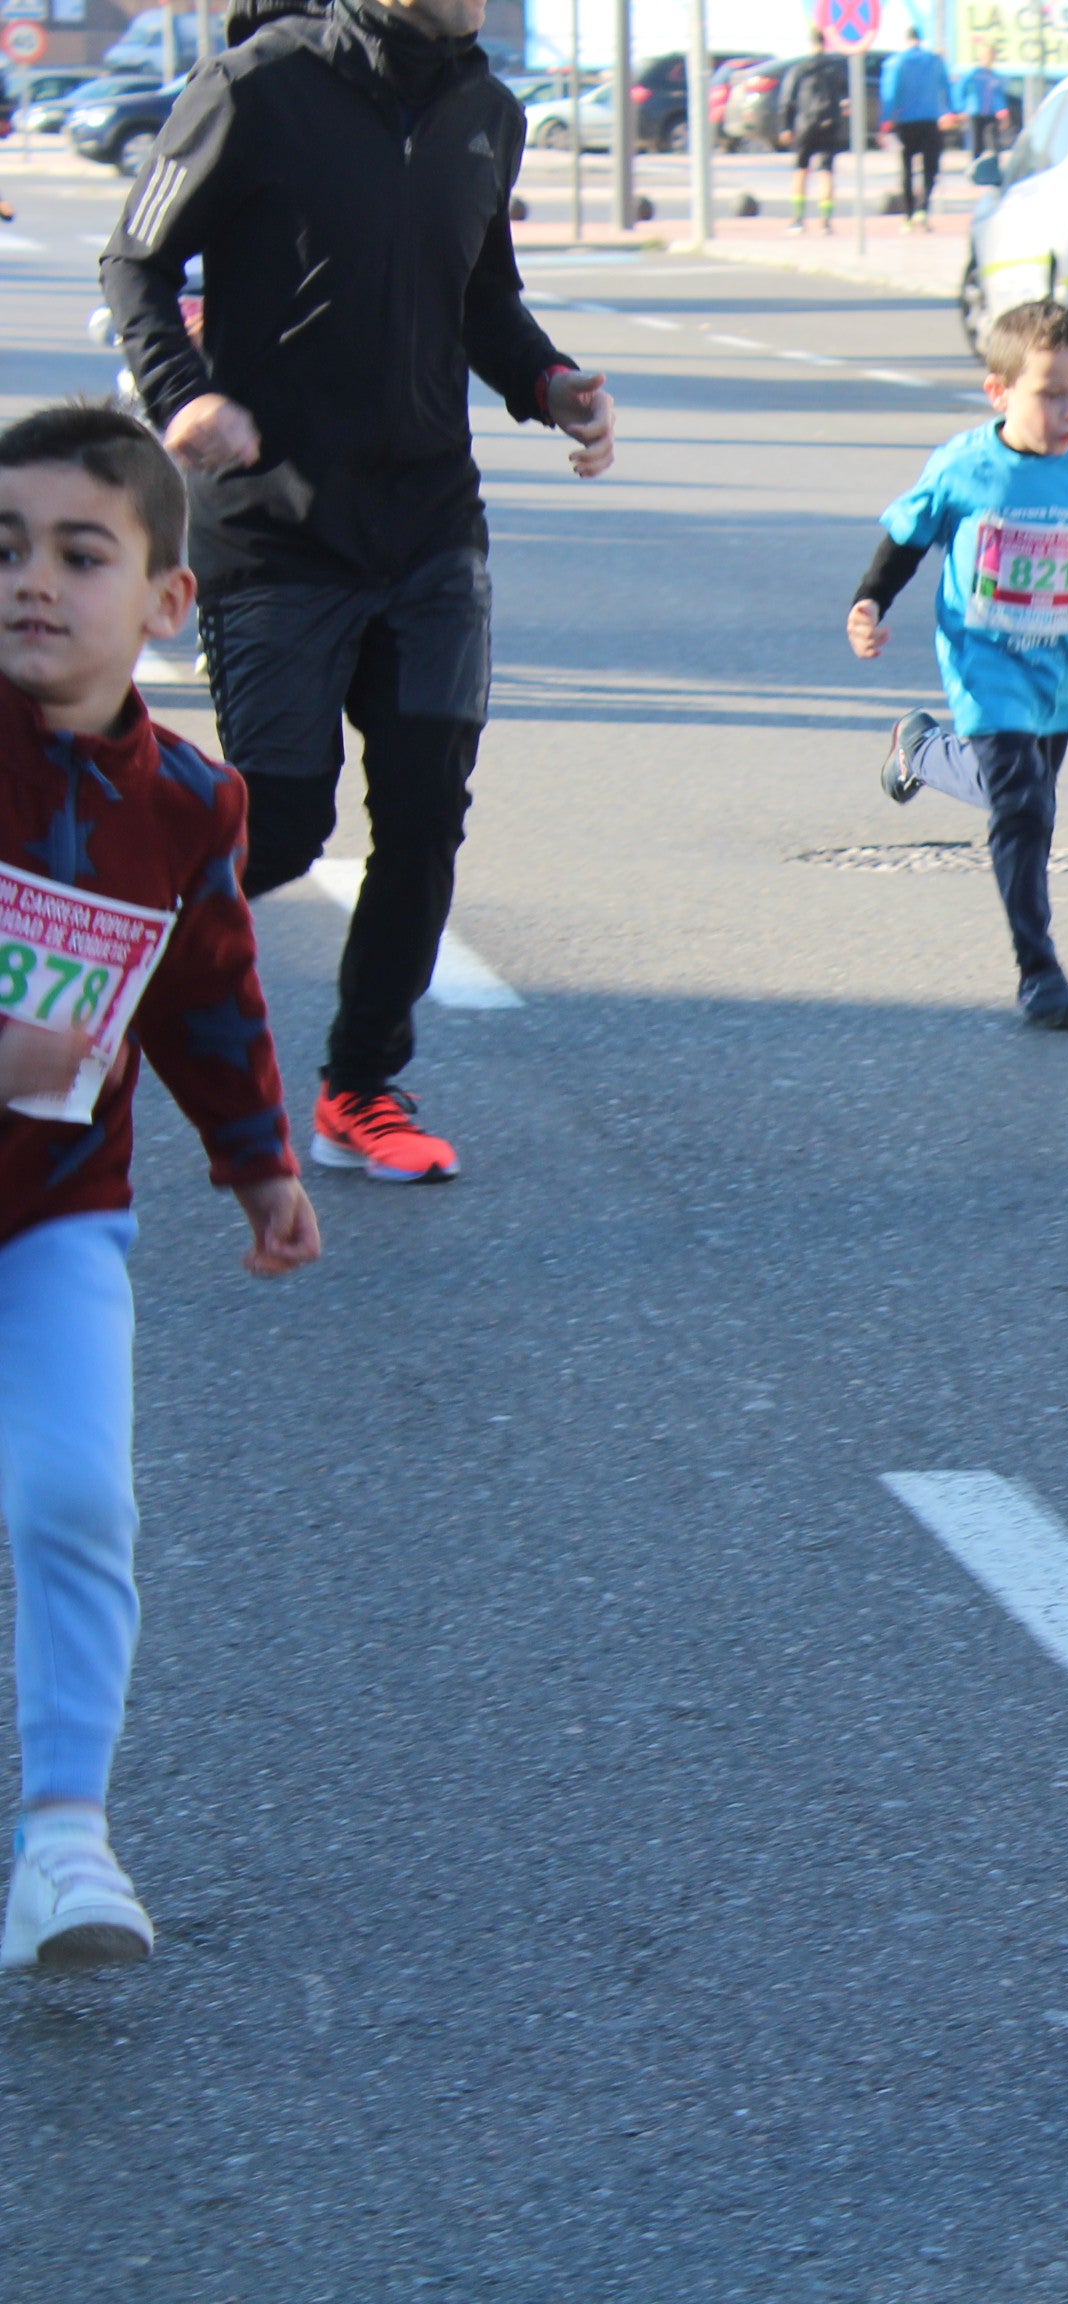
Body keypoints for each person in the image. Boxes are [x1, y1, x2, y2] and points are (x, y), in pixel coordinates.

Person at [101, 0, 617, 1189]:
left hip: (433, 527)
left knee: (427, 817)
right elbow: (134, 254)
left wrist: (547, 381)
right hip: (278, 523)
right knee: (280, 826)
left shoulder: (489, 111)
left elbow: (480, 295)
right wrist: (180, 390)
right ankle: (89, 967)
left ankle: (359, 1089)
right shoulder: (257, 85)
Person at [0, 404, 321, 1972]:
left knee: (75, 1495)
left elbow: (208, 987)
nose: (32, 583)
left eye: (78, 552)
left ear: (166, 601)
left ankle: (66, 1840)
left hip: (56, 1201)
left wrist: (260, 1161)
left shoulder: (191, 806)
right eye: (1, 550)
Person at [850, 300, 1068, 1031]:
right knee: (1024, 805)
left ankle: (921, 748)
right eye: (1052, 394)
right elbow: (906, 535)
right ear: (1000, 392)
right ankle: (1038, 968)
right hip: (983, 656)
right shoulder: (966, 465)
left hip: (1060, 662)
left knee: (1023, 790)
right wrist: (870, 601)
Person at [880, 29, 956, 231]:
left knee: (906, 169)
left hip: (906, 122)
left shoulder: (897, 62)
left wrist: (886, 119)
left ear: (906, 40)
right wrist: (951, 110)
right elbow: (946, 87)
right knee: (930, 167)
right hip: (930, 120)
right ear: (921, 39)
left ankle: (908, 216)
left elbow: (891, 91)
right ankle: (923, 208)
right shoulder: (935, 60)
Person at [787, 45, 851, 234]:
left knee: (801, 171)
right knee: (826, 172)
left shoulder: (800, 68)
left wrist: (786, 126)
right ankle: (825, 222)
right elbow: (846, 99)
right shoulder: (836, 68)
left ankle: (798, 219)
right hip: (828, 125)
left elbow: (788, 99)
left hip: (804, 125)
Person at [957, 48, 1010, 161]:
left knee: (992, 140)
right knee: (976, 142)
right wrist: (961, 108)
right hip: (975, 113)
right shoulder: (974, 74)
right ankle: (975, 164)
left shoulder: (994, 76)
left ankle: (994, 166)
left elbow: (999, 95)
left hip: (990, 113)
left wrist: (1003, 112)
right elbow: (960, 90)